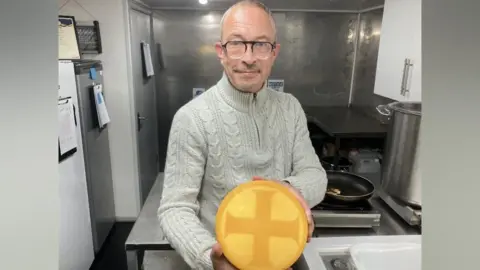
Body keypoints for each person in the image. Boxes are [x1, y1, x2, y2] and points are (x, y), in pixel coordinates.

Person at [157, 0, 328, 269]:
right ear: (220, 52)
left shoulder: (290, 108)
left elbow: (316, 176)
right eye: (236, 44)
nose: (248, 59)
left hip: (282, 259)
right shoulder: (192, 118)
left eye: (261, 45)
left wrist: (287, 190)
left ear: (274, 52)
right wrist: (208, 257)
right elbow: (175, 209)